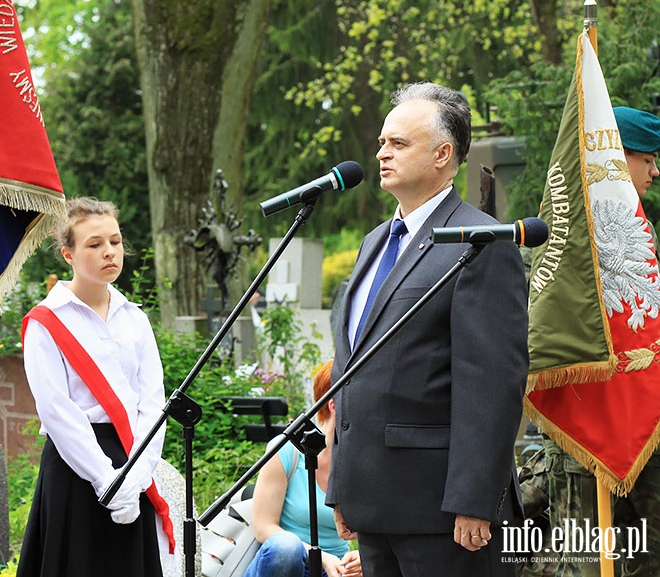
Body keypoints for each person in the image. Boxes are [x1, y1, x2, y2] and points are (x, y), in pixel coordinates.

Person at [328, 82, 529, 576]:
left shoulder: (480, 242)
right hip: (373, 502)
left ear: (443, 154)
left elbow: (492, 381)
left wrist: (476, 497)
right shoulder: (376, 241)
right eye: (381, 142)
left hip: (442, 510)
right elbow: (351, 369)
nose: (382, 153)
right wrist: (342, 486)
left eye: (398, 144)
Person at [16, 197, 174, 577]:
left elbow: (153, 402)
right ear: (68, 254)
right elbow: (56, 411)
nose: (110, 253)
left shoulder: (134, 318)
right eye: (94, 244)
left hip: (132, 458)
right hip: (77, 468)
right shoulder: (46, 322)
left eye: (115, 242)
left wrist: (137, 475)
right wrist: (106, 479)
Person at [535, 106, 660, 577]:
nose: (655, 170)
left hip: (640, 417)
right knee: (585, 565)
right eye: (646, 158)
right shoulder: (567, 235)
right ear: (614, 157)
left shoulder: (639, 228)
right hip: (584, 420)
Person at [245, 360, 362, 577]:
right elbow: (263, 528)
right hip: (284, 566)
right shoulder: (287, 449)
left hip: (336, 568)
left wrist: (363, 557)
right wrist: (318, 555)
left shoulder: (362, 459)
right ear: (334, 405)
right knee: (286, 547)